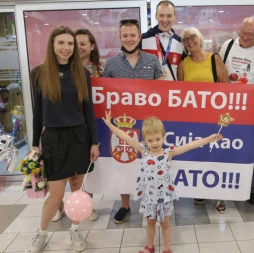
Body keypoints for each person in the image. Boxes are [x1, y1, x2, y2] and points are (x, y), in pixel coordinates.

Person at [102, 110, 222, 253]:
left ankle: (167, 249)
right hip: (149, 199)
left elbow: (190, 145)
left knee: (165, 225)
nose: (154, 143)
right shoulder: (143, 151)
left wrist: (208, 139)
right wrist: (110, 125)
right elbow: (125, 137)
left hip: (164, 199)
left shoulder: (168, 153)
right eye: (150, 140)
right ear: (144, 140)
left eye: (157, 139)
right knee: (150, 223)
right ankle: (149, 247)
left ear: (163, 137)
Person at [26, 26, 100, 253]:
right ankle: (41, 234)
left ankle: (76, 232)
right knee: (56, 195)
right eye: (61, 43)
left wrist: (94, 142)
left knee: (77, 189)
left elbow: (88, 109)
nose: (66, 48)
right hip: (53, 139)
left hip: (79, 136)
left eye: (70, 44)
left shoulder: (82, 73)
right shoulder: (39, 73)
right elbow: (38, 111)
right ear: (52, 45)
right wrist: (34, 144)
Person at [103, 19, 163, 224]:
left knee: (149, 164)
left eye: (133, 35)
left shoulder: (153, 60)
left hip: (148, 125)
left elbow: (162, 90)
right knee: (124, 163)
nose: (129, 39)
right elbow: (103, 93)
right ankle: (125, 205)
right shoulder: (111, 64)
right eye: (125, 35)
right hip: (123, 125)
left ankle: (151, 200)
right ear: (120, 37)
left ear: (139, 36)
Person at [51, 28, 103, 223]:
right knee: (58, 175)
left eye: (83, 43)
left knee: (80, 175)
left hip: (85, 126)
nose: (78, 47)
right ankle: (58, 206)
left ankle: (84, 205)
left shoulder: (99, 70)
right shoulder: (53, 71)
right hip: (58, 129)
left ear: (91, 46)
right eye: (76, 42)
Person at [219, 17, 254, 206]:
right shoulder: (227, 45)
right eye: (243, 33)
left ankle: (251, 189)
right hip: (226, 108)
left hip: (250, 111)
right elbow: (219, 72)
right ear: (239, 30)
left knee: (251, 150)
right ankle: (223, 187)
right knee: (224, 146)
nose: (246, 37)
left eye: (250, 34)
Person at [177, 27, 228, 212]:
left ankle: (219, 196)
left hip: (213, 118)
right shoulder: (183, 64)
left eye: (192, 37)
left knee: (215, 155)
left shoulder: (214, 58)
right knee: (197, 155)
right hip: (193, 119)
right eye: (185, 39)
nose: (189, 41)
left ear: (199, 38)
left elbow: (226, 87)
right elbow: (180, 94)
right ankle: (200, 191)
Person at [140, 0, 184, 81]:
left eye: (169, 16)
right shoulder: (142, 39)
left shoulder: (181, 43)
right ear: (156, 16)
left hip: (171, 92)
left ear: (174, 16)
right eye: (161, 15)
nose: (165, 19)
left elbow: (181, 72)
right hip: (149, 92)